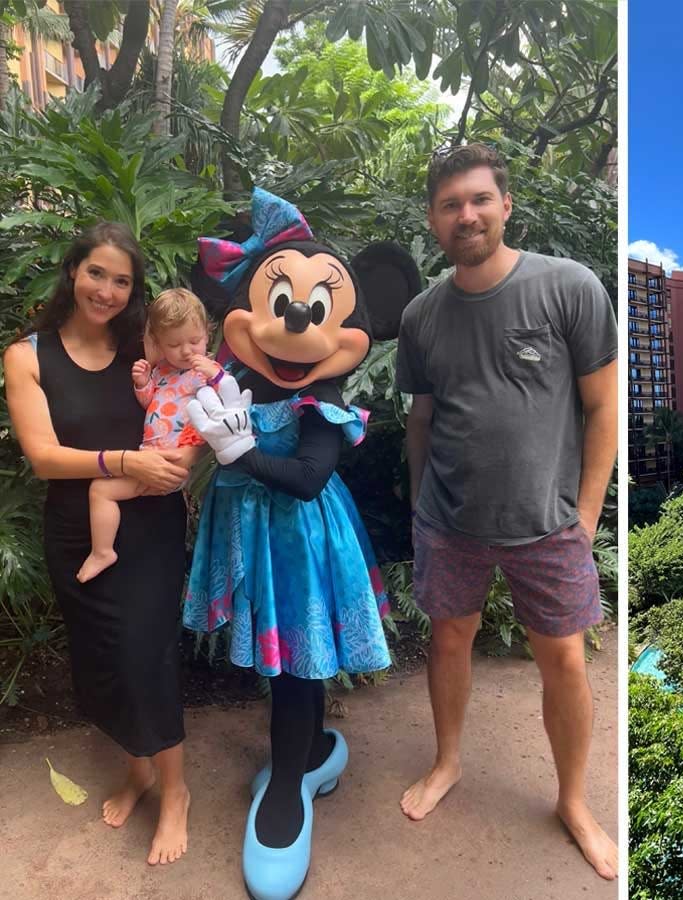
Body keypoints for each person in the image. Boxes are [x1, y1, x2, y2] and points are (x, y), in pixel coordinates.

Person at [182, 187, 423, 900]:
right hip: (251, 535)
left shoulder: (323, 401)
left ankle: (287, 788)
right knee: (285, 662)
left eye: (316, 309)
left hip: (300, 539)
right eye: (279, 301)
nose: (292, 321)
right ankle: (314, 752)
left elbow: (311, 477)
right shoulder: (235, 379)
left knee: (296, 664)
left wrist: (240, 455)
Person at [395, 143, 619, 880]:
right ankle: (448, 762)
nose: (468, 214)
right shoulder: (422, 315)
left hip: (549, 526)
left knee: (562, 661)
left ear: (506, 205)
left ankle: (573, 802)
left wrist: (585, 518)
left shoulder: (569, 286)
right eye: (452, 204)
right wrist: (423, 504)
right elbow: (421, 421)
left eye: (480, 199)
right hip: (449, 522)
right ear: (433, 220)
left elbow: (601, 409)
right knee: (449, 642)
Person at [3, 222, 192, 865]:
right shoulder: (28, 356)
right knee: (108, 659)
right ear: (72, 272)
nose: (107, 290)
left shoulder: (146, 348)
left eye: (122, 280)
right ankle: (138, 770)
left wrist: (179, 459)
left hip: (152, 526)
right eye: (96, 274)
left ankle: (176, 792)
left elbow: (192, 404)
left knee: (146, 655)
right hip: (76, 532)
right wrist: (127, 463)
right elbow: (45, 458)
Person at [76, 288, 222, 582]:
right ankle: (106, 550)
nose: (186, 351)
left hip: (171, 461)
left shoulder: (207, 371)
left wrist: (215, 374)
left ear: (207, 334)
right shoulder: (163, 371)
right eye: (174, 344)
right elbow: (152, 405)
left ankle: (103, 551)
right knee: (107, 492)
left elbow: (226, 403)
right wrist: (143, 383)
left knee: (100, 491)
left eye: (195, 341)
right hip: (149, 458)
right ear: (157, 343)